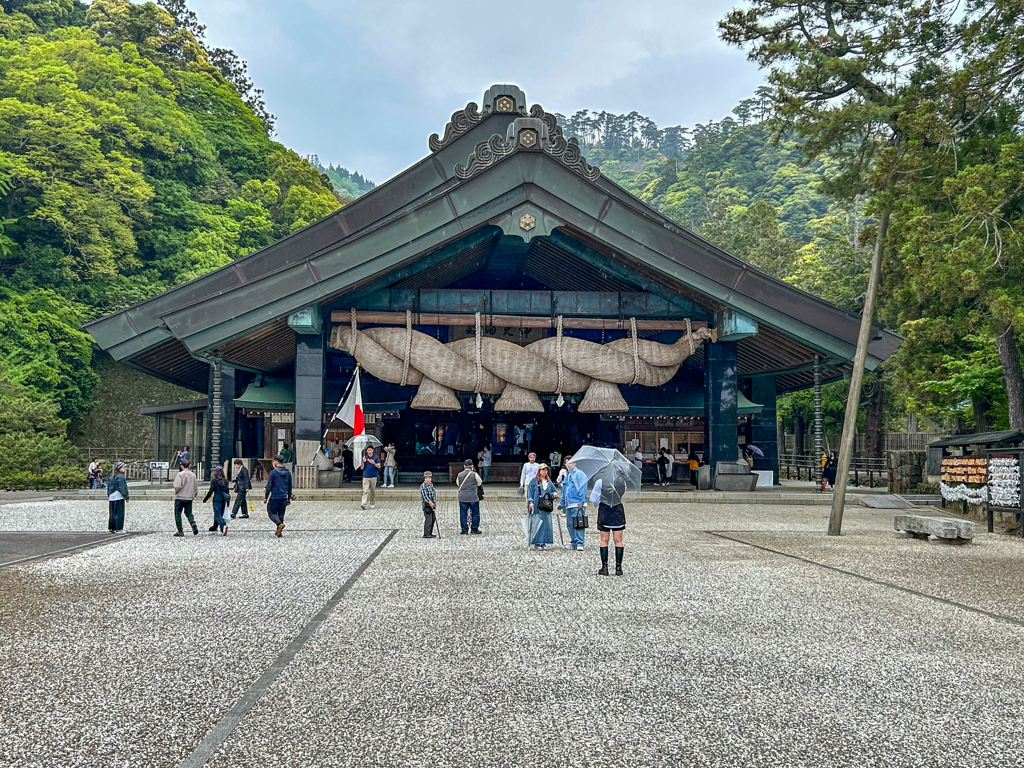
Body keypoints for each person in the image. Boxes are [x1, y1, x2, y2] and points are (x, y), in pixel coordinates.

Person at [592, 473, 627, 577]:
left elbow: (594, 498)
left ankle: (604, 567)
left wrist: (598, 503)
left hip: (605, 509)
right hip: (617, 509)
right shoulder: (622, 482)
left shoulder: (600, 482)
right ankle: (618, 568)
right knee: (619, 540)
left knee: (604, 540)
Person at [559, 456, 588, 551]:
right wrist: (561, 502)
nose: (568, 465)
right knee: (570, 524)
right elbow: (564, 490)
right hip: (569, 503)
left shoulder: (580, 474)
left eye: (570, 463)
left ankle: (580, 542)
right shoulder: (567, 475)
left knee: (578, 523)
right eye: (566, 463)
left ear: (574, 463)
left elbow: (582, 489)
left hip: (577, 503)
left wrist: (581, 501)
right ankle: (573, 541)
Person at [527, 464, 556, 550]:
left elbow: (553, 490)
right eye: (543, 470)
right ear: (539, 471)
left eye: (546, 470)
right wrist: (530, 501)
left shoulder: (549, 482)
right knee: (537, 523)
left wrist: (554, 494)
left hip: (546, 506)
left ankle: (544, 541)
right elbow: (530, 492)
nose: (544, 472)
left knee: (546, 523)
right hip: (537, 505)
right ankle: (537, 542)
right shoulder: (534, 481)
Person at [264, 454, 293, 537]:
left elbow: (269, 485)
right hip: (284, 496)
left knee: (271, 512)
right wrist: (289, 497)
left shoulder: (273, 472)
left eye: (273, 461)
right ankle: (279, 532)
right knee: (281, 514)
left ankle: (279, 524)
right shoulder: (288, 473)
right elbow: (290, 486)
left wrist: (266, 497)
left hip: (275, 496)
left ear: (276, 462)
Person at [456, 459, 483, 535]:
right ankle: (474, 529)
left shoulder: (459, 475)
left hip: (463, 497)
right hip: (473, 497)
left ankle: (464, 529)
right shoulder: (474, 474)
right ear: (471, 466)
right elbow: (479, 483)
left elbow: (458, 484)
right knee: (475, 513)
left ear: (464, 466)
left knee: (463, 514)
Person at [172, 460, 199, 537]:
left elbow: (177, 486)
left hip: (180, 497)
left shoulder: (180, 474)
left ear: (182, 466)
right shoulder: (193, 475)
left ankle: (180, 531)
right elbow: (195, 486)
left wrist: (177, 491)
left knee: (178, 514)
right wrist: (194, 494)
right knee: (189, 513)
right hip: (189, 497)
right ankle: (193, 525)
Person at [203, 466, 231, 535]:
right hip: (223, 500)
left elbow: (211, 491)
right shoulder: (226, 481)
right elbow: (227, 492)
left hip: (216, 499)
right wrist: (228, 502)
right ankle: (215, 526)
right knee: (220, 514)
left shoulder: (214, 480)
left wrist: (205, 499)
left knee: (217, 515)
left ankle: (223, 526)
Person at [106, 461, 129, 533]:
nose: (124, 468)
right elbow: (122, 488)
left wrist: (109, 495)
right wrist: (126, 496)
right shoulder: (120, 477)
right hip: (118, 496)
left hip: (111, 496)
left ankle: (111, 527)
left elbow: (108, 487)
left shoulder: (112, 476)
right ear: (119, 468)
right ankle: (118, 528)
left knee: (112, 513)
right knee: (119, 513)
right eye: (123, 467)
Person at [420, 471, 437, 538]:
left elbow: (434, 494)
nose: (428, 479)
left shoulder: (431, 485)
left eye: (429, 478)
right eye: (427, 478)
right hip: (426, 505)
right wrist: (430, 502)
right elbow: (424, 496)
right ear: (424, 478)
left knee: (433, 518)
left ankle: (430, 532)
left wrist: (434, 502)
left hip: (432, 504)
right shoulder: (423, 486)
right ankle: (426, 533)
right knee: (428, 519)